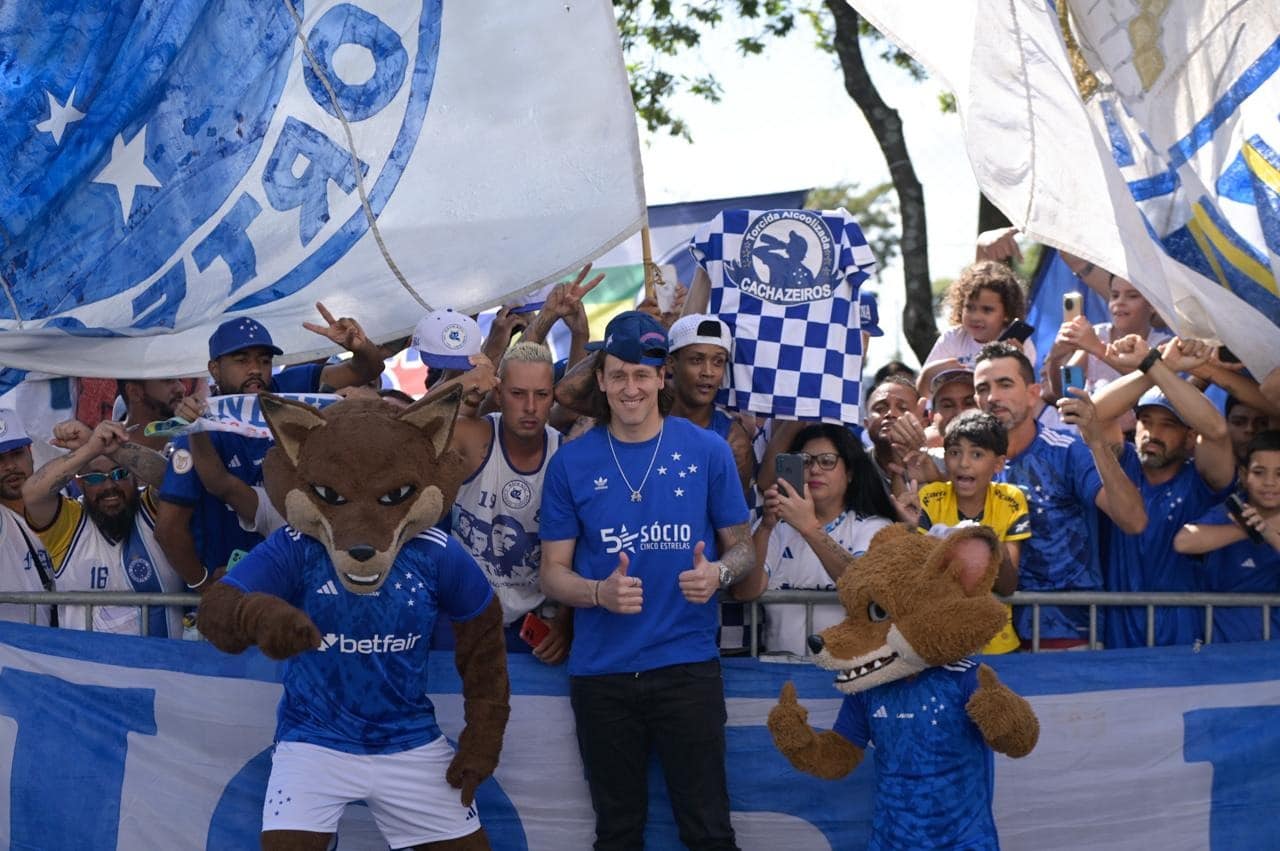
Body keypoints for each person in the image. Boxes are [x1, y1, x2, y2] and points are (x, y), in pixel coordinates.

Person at [539, 311, 753, 851]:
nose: (630, 387)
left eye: (642, 374)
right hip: (602, 676)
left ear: (662, 378)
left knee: (708, 830)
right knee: (617, 833)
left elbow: (744, 548)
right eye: (618, 374)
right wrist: (596, 593)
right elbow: (552, 574)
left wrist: (720, 573)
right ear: (603, 381)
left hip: (687, 668)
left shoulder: (708, 451)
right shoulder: (571, 463)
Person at [155, 307, 381, 592]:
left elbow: (367, 369)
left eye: (264, 360)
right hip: (235, 591)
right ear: (214, 369)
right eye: (241, 360)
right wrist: (202, 586)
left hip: (299, 586)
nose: (255, 369)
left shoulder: (287, 389)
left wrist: (361, 348)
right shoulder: (197, 423)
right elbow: (169, 528)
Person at [973, 342, 1146, 648]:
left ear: (1033, 393)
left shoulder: (1067, 451)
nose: (993, 397)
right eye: (983, 388)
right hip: (992, 636)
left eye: (1005, 384)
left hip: (1066, 634)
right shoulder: (968, 462)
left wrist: (1096, 444)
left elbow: (1133, 520)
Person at [1090, 336, 1236, 648]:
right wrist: (1156, 367)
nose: (1153, 433)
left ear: (1188, 436)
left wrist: (1155, 366)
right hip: (1117, 633)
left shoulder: (1202, 478)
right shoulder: (1121, 466)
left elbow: (1217, 431)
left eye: (1168, 424)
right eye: (1146, 421)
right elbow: (1094, 414)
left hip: (1185, 634)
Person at [729, 423, 898, 656]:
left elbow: (864, 588)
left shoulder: (874, 528)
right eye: (805, 461)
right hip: (781, 674)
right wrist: (766, 527)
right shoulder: (775, 526)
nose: (815, 470)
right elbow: (744, 592)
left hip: (847, 673)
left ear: (849, 473)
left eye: (827, 461)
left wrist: (809, 528)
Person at [448, 342, 569, 663]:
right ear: (498, 394)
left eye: (541, 395)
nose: (530, 406)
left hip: (536, 626)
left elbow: (590, 547)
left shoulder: (568, 453)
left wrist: (566, 620)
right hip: (461, 617)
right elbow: (409, 433)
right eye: (518, 394)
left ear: (553, 396)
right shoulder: (473, 438)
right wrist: (464, 385)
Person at [22, 420, 185, 636]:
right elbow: (32, 494)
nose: (109, 486)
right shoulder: (68, 523)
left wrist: (113, 448)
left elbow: (173, 479)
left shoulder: (153, 509)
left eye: (119, 474)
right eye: (95, 477)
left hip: (160, 667)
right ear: (80, 484)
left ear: (135, 476)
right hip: (87, 668)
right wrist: (91, 448)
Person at [915, 410, 1028, 654]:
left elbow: (1007, 586)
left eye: (976, 454)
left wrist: (990, 545)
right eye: (954, 453)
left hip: (997, 645)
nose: (963, 463)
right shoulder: (929, 499)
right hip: (940, 644)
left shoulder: (1011, 499)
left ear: (998, 463)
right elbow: (922, 578)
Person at [1174, 430, 1280, 642]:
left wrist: (1269, 533)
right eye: (1259, 472)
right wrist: (1248, 529)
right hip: (1222, 653)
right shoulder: (1232, 510)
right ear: (1243, 474)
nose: (1269, 482)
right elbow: (1184, 542)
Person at [666, 313, 754, 499]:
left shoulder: (734, 442)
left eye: (718, 362)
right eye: (697, 360)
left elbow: (733, 522)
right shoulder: (641, 418)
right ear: (671, 364)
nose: (708, 372)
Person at [918, 260, 1036, 396]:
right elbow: (923, 390)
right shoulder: (952, 338)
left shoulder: (1019, 344)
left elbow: (1024, 394)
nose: (976, 317)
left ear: (1006, 313)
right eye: (970, 308)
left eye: (987, 310)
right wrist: (934, 371)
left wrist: (1018, 363)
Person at [0, 410, 55, 626]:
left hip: (63, 653)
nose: (10, 466)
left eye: (16, 453)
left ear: (30, 452)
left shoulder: (63, 504)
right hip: (13, 656)